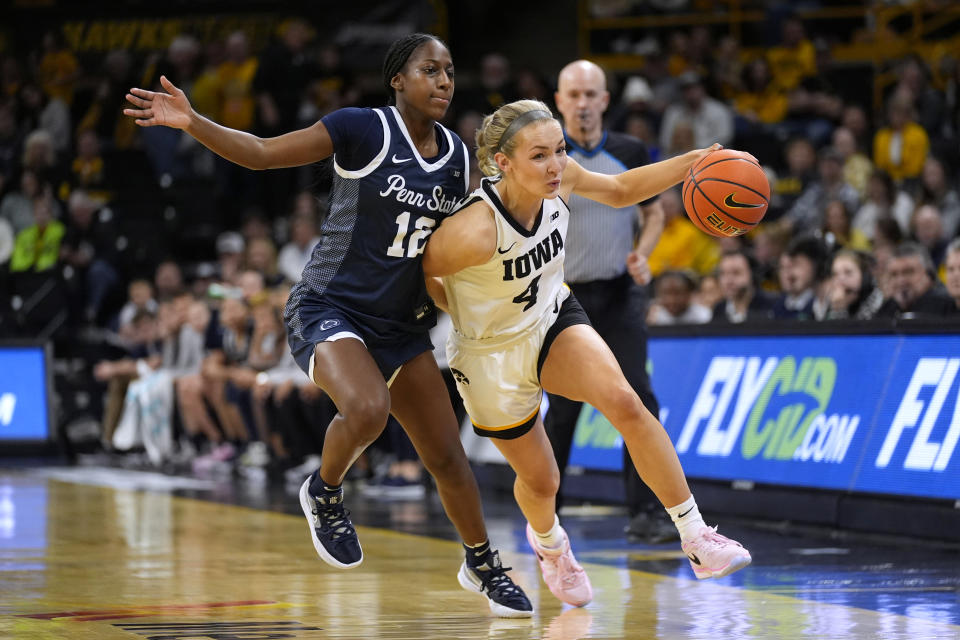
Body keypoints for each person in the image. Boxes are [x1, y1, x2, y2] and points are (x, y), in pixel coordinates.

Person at [124, 33, 532, 618]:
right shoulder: (361, 128)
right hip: (328, 306)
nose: (443, 81)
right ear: (398, 78)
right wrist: (194, 123)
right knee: (367, 409)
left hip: (401, 324)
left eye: (448, 71)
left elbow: (466, 240)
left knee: (447, 457)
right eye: (429, 70)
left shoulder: (461, 157)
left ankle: (482, 562)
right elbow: (262, 152)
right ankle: (325, 492)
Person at [422, 99, 752, 608]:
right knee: (542, 480)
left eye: (559, 150)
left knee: (626, 401)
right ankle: (551, 547)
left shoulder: (563, 178)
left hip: (553, 316)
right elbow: (422, 272)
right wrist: (458, 310)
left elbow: (621, 191)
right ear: (503, 162)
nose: (555, 165)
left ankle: (696, 536)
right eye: (539, 156)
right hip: (490, 354)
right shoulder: (473, 229)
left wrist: (693, 162)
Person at [545, 59, 677, 546]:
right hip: (563, 298)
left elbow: (655, 213)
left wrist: (643, 256)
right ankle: (548, 515)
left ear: (605, 100)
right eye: (573, 95)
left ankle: (645, 511)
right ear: (559, 101)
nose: (582, 103)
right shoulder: (546, 155)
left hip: (621, 292)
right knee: (562, 411)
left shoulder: (628, 150)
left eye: (591, 94)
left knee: (639, 398)